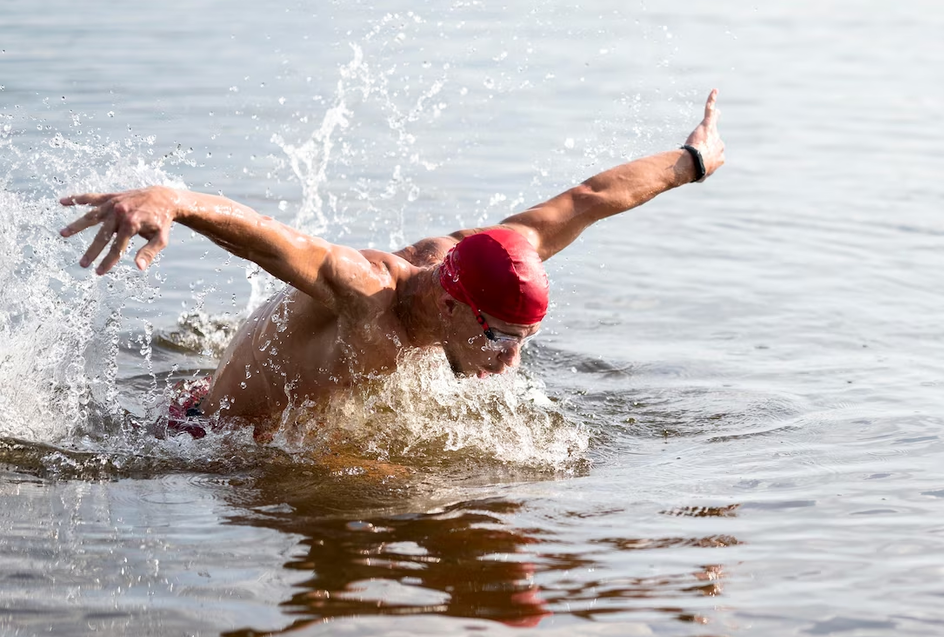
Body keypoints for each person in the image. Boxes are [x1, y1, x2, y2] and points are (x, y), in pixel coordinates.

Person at [59, 90, 725, 438]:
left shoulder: (491, 257)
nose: (509, 361)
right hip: (204, 433)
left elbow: (589, 200)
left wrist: (691, 161)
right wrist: (174, 201)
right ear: (450, 305)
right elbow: (271, 239)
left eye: (524, 341)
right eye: (498, 336)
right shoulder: (366, 291)